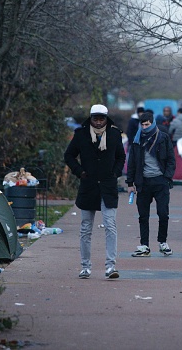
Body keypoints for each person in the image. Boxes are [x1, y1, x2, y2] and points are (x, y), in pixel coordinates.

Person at [64, 104, 126, 279]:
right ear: (90, 118)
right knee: (85, 228)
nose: (98, 122)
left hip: (108, 185)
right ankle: (85, 266)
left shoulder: (114, 134)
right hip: (88, 185)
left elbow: (121, 156)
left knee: (110, 226)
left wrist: (115, 172)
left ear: (106, 119)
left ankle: (110, 266)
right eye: (95, 118)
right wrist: (80, 172)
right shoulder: (81, 134)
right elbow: (69, 155)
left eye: (101, 118)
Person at [126, 111, 176, 257]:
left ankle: (162, 242)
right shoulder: (137, 140)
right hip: (143, 183)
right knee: (143, 216)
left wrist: (167, 177)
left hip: (160, 182)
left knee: (163, 214)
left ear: (152, 123)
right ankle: (144, 245)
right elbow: (132, 163)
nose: (144, 127)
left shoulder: (163, 137)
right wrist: (130, 183)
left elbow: (171, 160)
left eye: (147, 124)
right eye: (142, 124)